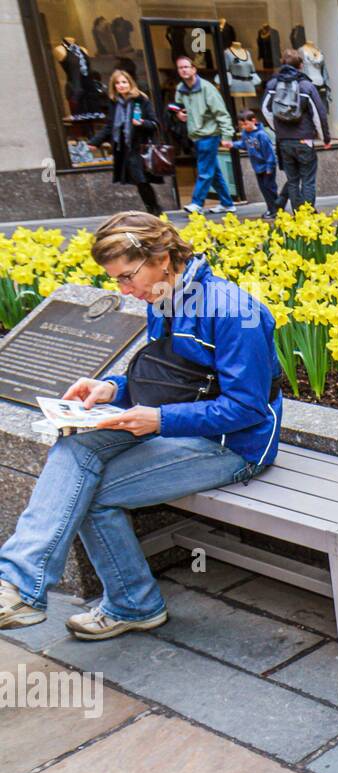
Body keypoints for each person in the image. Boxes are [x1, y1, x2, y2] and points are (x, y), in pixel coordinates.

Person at [0, 212, 282, 637]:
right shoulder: (163, 299)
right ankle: (19, 585)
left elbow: (248, 409)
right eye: (117, 281)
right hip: (174, 428)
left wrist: (159, 419)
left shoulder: (233, 311)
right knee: (75, 447)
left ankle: (133, 605)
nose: (125, 290)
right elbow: (169, 377)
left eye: (128, 277)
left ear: (163, 257)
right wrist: (113, 389)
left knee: (90, 493)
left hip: (233, 445)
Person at [261, 47, 331, 211]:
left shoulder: (272, 84)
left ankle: (297, 214)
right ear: (300, 65)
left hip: (284, 141)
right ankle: (307, 214)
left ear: (282, 63)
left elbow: (265, 109)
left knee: (292, 180)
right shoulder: (306, 86)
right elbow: (319, 114)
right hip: (304, 140)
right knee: (307, 179)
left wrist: (278, 128)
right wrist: (325, 138)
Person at [89, 69, 163, 216]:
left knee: (141, 180)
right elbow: (110, 126)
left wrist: (141, 123)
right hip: (124, 148)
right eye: (117, 83)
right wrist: (95, 142)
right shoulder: (115, 103)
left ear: (130, 83)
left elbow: (155, 124)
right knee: (139, 181)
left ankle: (155, 210)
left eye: (124, 82)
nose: (121, 85)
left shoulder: (141, 100)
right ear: (114, 86)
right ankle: (153, 209)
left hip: (140, 147)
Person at [171, 55, 235, 215]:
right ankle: (227, 203)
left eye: (187, 67)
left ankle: (197, 203)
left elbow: (222, 113)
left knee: (205, 170)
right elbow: (177, 108)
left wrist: (227, 136)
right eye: (181, 68)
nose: (184, 70)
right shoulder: (180, 89)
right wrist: (179, 114)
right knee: (214, 171)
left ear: (194, 69)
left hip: (209, 134)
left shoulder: (207, 88)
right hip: (195, 135)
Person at [233, 109, 279, 220]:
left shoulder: (261, 135)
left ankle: (275, 210)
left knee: (270, 189)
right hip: (257, 167)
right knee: (264, 189)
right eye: (241, 125)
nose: (243, 127)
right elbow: (244, 145)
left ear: (253, 120)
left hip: (267, 167)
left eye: (245, 124)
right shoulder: (245, 134)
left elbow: (269, 153)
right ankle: (272, 209)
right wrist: (233, 144)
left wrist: (269, 167)